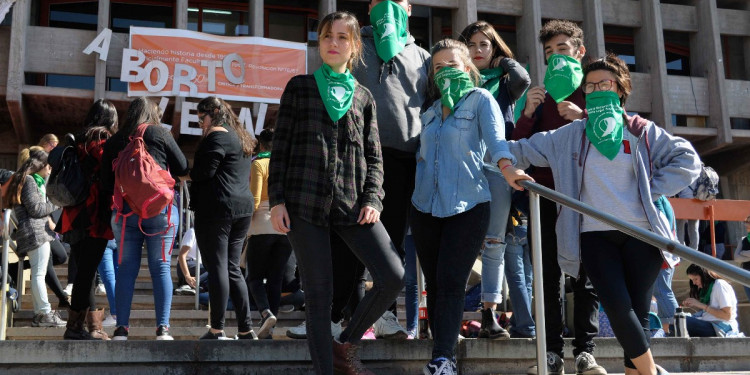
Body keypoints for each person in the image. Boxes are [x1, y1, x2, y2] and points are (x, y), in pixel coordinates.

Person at [502, 54, 701, 375]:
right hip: (594, 236)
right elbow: (516, 148)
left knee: (636, 312)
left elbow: (687, 160)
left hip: (644, 235)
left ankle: (634, 371)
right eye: (590, 86)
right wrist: (506, 166)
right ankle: (651, 372)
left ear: (621, 88)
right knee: (618, 308)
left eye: (604, 83)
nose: (596, 90)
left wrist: (650, 189)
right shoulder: (569, 134)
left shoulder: (641, 131)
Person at [269, 11, 404, 374]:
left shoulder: (364, 98)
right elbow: (280, 149)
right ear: (319, 42)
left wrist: (373, 199)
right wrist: (277, 200)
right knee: (319, 294)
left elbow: (374, 158)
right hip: (303, 202)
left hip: (353, 204)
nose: (334, 43)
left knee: (393, 275)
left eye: (343, 37)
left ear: (354, 46)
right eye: (328, 36)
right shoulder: (299, 87)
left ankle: (346, 341)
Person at [410, 38, 515, 374]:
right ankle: (444, 352)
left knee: (452, 281)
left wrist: (507, 166)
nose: (444, 71)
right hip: (424, 207)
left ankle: (443, 358)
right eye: (437, 67)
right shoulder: (428, 111)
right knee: (437, 284)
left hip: (468, 205)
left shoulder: (480, 99)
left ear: (468, 68)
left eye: (451, 64)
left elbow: (497, 140)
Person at [509, 19, 605, 375]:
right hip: (545, 196)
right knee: (547, 274)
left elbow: (615, 138)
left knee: (586, 275)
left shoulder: (596, 89)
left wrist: (586, 116)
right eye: (548, 52)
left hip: (587, 196)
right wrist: (529, 112)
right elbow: (518, 147)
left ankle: (585, 351)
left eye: (562, 49)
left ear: (579, 52)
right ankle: (550, 353)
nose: (554, 58)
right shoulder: (542, 95)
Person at [351, 0, 431, 339]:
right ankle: (347, 312)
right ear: (369, 7)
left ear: (409, 9)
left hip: (403, 158)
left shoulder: (423, 57)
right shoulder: (354, 44)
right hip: (358, 155)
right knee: (351, 237)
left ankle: (384, 315)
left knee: (393, 242)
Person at [459, 20, 530, 339]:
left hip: (497, 167)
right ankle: (448, 312)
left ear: (494, 49)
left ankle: (489, 314)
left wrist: (504, 60)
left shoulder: (504, 83)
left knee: (494, 242)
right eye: (471, 44)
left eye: (484, 45)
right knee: (456, 240)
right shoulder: (455, 82)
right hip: (461, 166)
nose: (477, 51)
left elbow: (523, 78)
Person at [102, 97, 189, 341]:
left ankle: (121, 328)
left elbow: (106, 184)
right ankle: (163, 328)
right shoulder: (160, 133)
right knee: (161, 268)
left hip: (125, 214)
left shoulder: (116, 140)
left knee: (126, 269)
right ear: (153, 113)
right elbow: (182, 166)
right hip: (159, 211)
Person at [191, 96, 257, 340]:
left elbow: (203, 172)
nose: (201, 124)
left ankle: (217, 328)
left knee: (218, 266)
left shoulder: (216, 134)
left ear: (215, 112)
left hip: (218, 208)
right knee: (232, 268)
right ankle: (245, 328)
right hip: (242, 208)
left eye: (202, 118)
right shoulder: (239, 136)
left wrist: (186, 174)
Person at [58, 99, 118, 340]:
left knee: (86, 270)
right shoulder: (102, 138)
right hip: (94, 213)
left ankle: (92, 326)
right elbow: (108, 171)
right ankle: (74, 328)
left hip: (74, 212)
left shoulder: (80, 137)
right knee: (87, 272)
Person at [5, 149, 65, 327]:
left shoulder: (28, 180)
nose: (49, 170)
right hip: (35, 232)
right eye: (48, 167)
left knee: (39, 273)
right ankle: (45, 313)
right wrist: (55, 203)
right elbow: (36, 210)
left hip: (33, 232)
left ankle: (41, 314)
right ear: (40, 166)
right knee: (39, 274)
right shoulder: (30, 181)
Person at [246, 128, 293, 340]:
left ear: (261, 145)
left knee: (254, 277)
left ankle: (266, 313)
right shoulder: (289, 166)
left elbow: (254, 200)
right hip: (285, 227)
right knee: (275, 279)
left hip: (262, 225)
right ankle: (270, 326)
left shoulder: (259, 163)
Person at [682, 264, 741, 337]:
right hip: (709, 324)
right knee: (677, 320)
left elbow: (727, 315)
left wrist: (700, 305)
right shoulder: (708, 288)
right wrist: (694, 305)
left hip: (721, 327)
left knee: (682, 322)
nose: (694, 283)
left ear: (704, 275)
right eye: (692, 280)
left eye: (696, 279)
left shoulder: (720, 285)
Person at [175, 225, 205, 296]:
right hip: (187, 265)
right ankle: (188, 283)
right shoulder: (192, 232)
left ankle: (189, 286)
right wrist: (187, 276)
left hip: (199, 267)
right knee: (215, 269)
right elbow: (182, 256)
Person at [734, 215, 750, 301]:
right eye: (746, 222)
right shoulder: (743, 239)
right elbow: (736, 258)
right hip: (746, 273)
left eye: (749, 222)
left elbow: (740, 255)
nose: (746, 225)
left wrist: (743, 253)